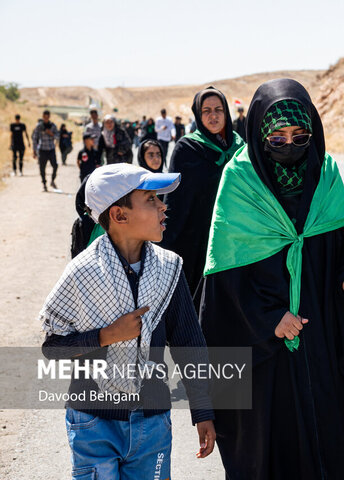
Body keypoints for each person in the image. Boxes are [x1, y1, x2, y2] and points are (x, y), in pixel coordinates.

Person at [199, 78, 344, 480]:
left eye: (300, 136)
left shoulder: (325, 172)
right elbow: (224, 277)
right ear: (259, 135)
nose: (290, 146)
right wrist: (269, 317)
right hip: (261, 350)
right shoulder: (240, 180)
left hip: (319, 340)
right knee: (265, 448)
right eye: (276, 138)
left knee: (323, 444)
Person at [40, 163, 216, 478]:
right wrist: (104, 336)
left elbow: (189, 343)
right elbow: (52, 346)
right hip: (93, 424)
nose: (163, 206)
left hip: (152, 425)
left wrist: (202, 409)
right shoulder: (82, 273)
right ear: (120, 215)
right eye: (150, 199)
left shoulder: (168, 270)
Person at [160, 86, 245, 300]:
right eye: (206, 111)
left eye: (218, 109)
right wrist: (165, 240)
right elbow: (175, 199)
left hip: (233, 237)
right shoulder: (187, 148)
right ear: (198, 114)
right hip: (196, 238)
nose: (213, 116)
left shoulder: (240, 148)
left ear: (226, 112)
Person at [32, 110, 59, 191]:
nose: (46, 118)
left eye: (47, 117)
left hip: (51, 149)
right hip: (42, 149)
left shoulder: (53, 126)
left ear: (49, 117)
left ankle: (52, 181)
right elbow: (35, 138)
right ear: (43, 116)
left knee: (55, 166)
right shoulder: (39, 126)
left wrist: (51, 134)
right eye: (45, 117)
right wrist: (34, 150)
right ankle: (44, 184)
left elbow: (57, 137)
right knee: (42, 168)